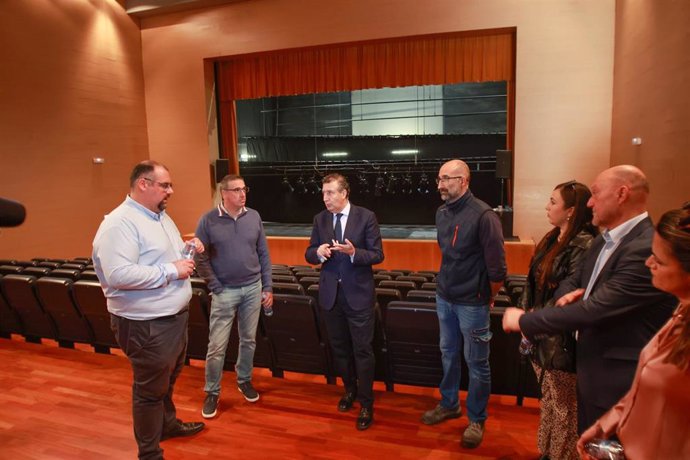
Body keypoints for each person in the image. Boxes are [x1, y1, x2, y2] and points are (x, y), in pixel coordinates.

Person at [502, 165, 677, 434]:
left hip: (620, 380)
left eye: (595, 194)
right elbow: (572, 285)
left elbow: (596, 309)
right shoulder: (602, 240)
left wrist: (526, 320)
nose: (591, 202)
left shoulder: (645, 246)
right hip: (592, 371)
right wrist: (568, 301)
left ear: (622, 193)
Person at [92, 160, 205, 460]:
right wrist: (172, 269)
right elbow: (118, 275)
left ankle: (166, 425)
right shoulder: (120, 223)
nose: (171, 190)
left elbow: (162, 259)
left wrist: (188, 250)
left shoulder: (159, 217)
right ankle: (149, 453)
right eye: (165, 185)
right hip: (147, 325)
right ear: (143, 184)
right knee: (149, 391)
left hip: (171, 320)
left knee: (165, 383)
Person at [577, 204, 690, 459]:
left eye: (659, 260)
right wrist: (606, 423)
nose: (648, 262)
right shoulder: (680, 313)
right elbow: (644, 391)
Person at [421, 159, 506, 449]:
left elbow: (498, 270)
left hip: (473, 302)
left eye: (448, 178)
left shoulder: (484, 216)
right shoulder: (441, 213)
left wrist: (488, 295)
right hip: (445, 297)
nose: (441, 184)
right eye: (439, 178)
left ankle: (477, 418)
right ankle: (449, 404)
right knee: (448, 353)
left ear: (465, 182)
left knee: (477, 363)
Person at [516, 181, 597, 460]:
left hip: (561, 342)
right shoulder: (552, 237)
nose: (547, 207)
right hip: (540, 335)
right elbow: (531, 284)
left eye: (552, 202)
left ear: (571, 211)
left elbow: (567, 297)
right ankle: (547, 452)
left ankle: (561, 455)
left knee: (565, 409)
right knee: (548, 402)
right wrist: (527, 318)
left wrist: (534, 322)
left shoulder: (585, 245)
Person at [305, 173, 384, 431]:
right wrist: (317, 252)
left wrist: (353, 253)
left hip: (359, 297)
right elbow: (309, 252)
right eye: (324, 193)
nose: (325, 198)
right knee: (340, 350)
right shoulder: (320, 219)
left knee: (362, 351)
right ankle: (349, 391)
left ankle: (366, 403)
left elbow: (377, 255)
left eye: (330, 193)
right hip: (330, 297)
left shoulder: (366, 217)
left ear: (344, 193)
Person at [194, 174, 273, 419]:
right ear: (224, 193)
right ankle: (212, 392)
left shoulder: (254, 216)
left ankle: (244, 380)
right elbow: (200, 257)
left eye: (244, 189)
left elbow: (263, 253)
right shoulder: (208, 221)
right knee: (217, 346)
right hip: (224, 291)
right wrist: (215, 286)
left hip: (252, 287)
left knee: (249, 340)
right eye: (237, 190)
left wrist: (267, 286)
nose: (242, 194)